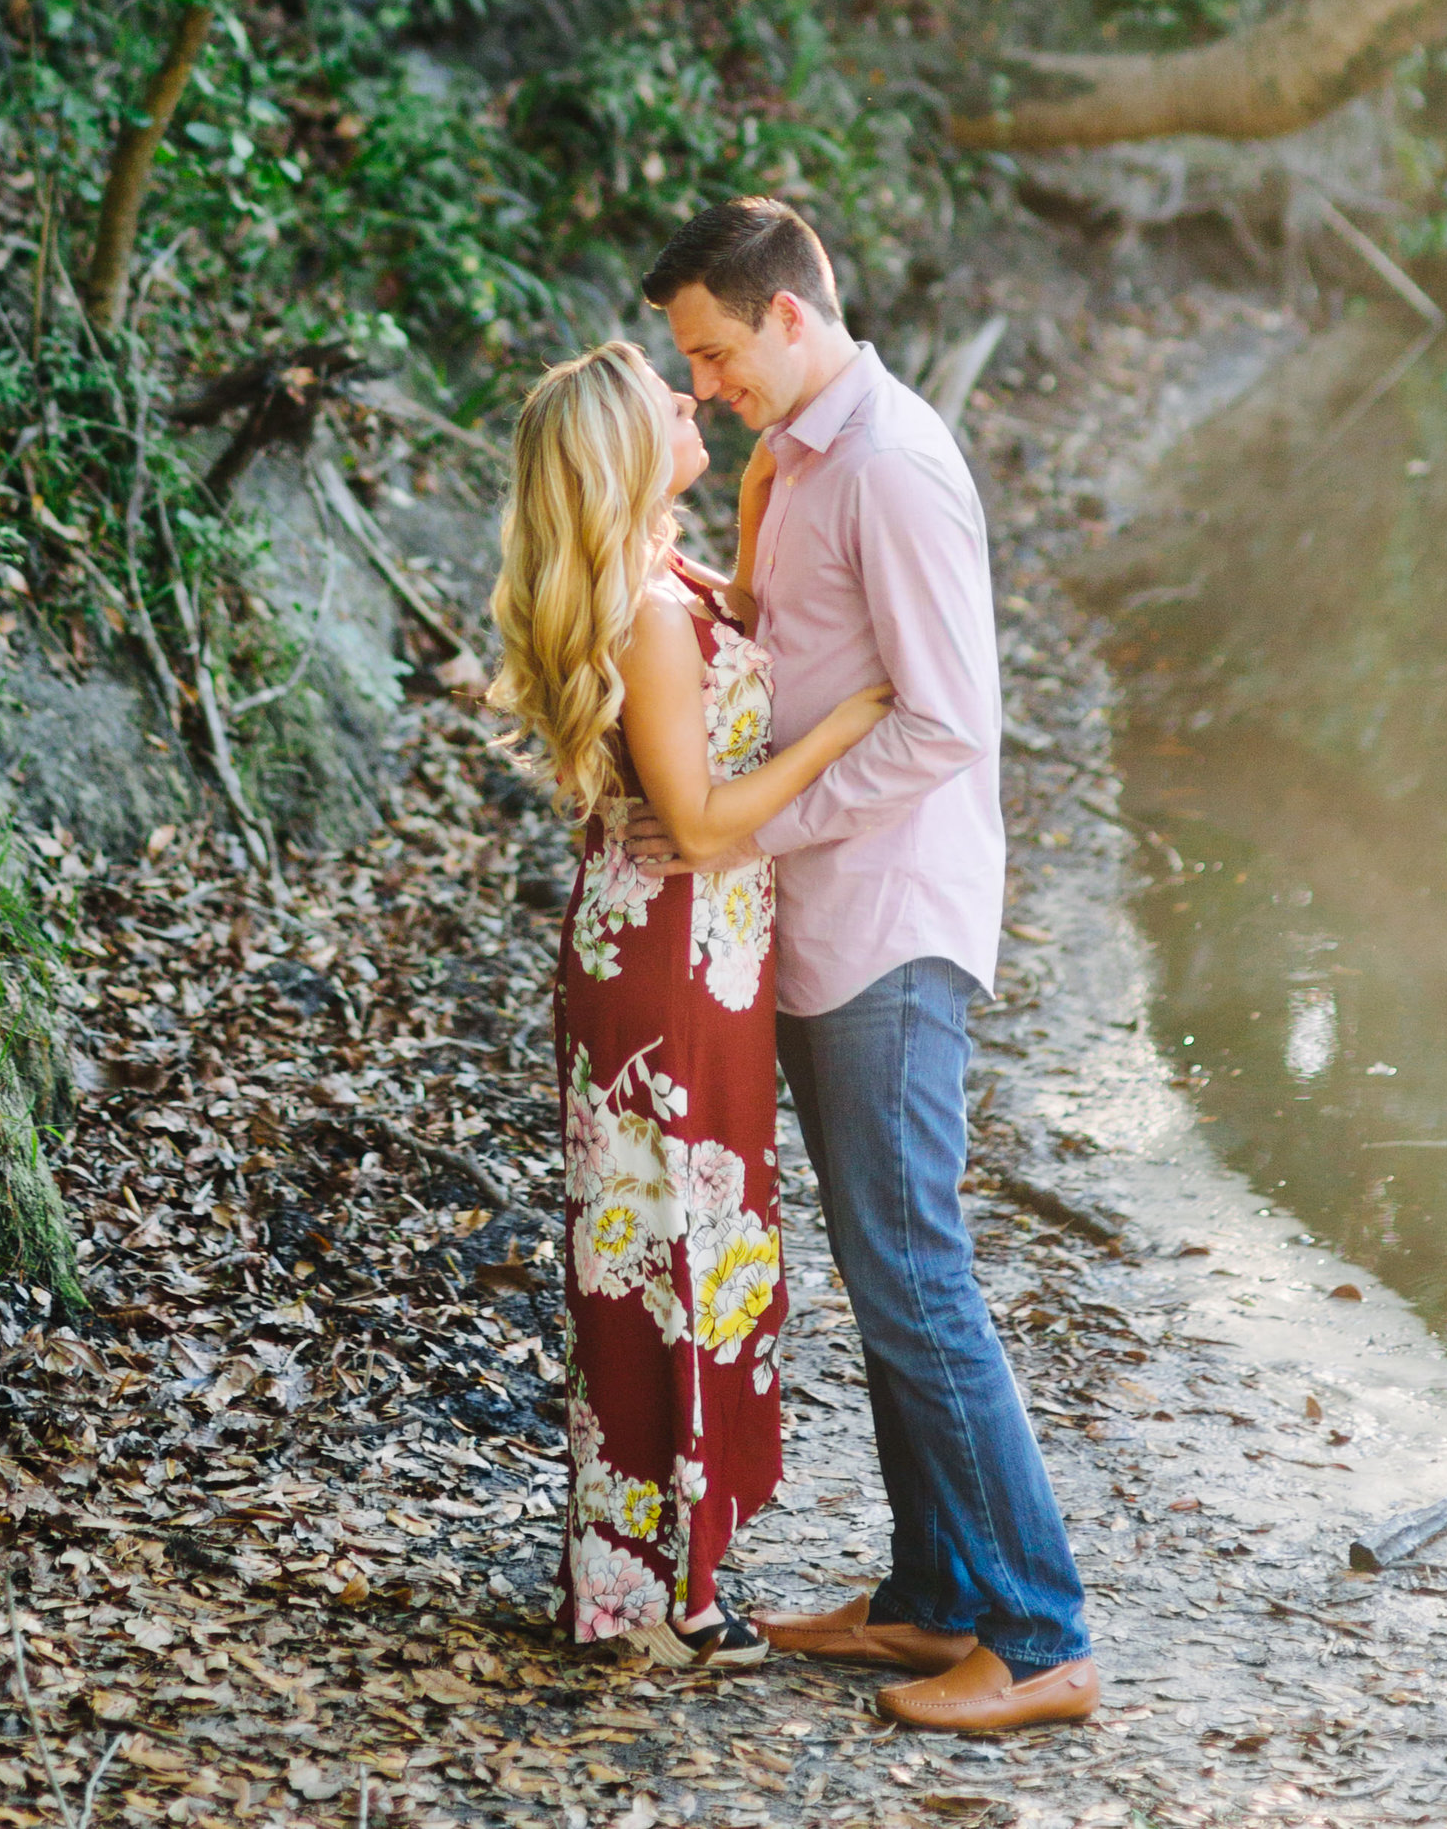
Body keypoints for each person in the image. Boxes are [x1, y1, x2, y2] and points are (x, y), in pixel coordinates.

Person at [633, 196, 1098, 1738]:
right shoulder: (792, 458)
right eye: (685, 365)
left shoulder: (891, 464)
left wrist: (759, 824)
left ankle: (1038, 1634)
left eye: (710, 352)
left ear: (785, 313)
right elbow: (797, 652)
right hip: (819, 919)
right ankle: (932, 1597)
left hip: (892, 914)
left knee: (915, 1272)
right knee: (884, 1269)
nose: (699, 386)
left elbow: (949, 718)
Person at [490, 338, 893, 1671]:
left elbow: (763, 560)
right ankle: (649, 1592)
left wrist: (782, 448)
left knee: (697, 1250)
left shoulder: (670, 576)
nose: (692, 398)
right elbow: (707, 817)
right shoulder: (650, 616)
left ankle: (675, 1568)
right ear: (623, 447)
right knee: (659, 1258)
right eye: (668, 398)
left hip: (703, 958)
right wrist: (856, 723)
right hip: (663, 965)